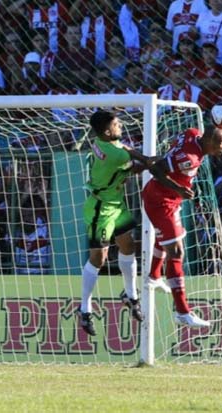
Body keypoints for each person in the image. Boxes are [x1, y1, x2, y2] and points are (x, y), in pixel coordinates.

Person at [142, 125, 222, 327]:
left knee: (171, 238)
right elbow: (155, 169)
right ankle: (182, 312)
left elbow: (188, 133)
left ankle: (154, 276)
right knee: (176, 251)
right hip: (160, 201)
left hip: (169, 199)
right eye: (221, 142)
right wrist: (178, 187)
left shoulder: (193, 133)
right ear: (208, 141)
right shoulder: (188, 157)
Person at [78, 110, 154, 336]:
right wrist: (156, 162)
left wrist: (146, 159)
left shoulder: (102, 142)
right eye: (116, 123)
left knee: (128, 245)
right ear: (107, 131)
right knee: (98, 259)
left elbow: (127, 149)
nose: (120, 125)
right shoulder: (115, 155)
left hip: (116, 203)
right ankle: (84, 309)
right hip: (101, 208)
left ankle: (130, 296)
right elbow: (134, 164)